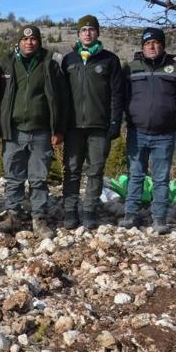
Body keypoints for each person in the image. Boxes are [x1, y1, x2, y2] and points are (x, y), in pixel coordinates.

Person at [0, 26, 63, 235]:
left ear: (39, 42)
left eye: (33, 39)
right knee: (13, 177)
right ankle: (13, 216)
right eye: (25, 40)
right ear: (18, 42)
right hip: (14, 130)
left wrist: (57, 128)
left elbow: (60, 98)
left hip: (41, 131)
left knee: (38, 178)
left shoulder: (49, 64)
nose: (29, 43)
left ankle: (39, 219)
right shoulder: (7, 64)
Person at [119, 28, 176, 234]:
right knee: (136, 174)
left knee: (161, 177)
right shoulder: (131, 68)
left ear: (163, 45)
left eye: (156, 42)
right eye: (148, 43)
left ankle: (159, 218)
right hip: (137, 132)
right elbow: (121, 97)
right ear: (142, 46)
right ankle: (130, 214)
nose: (152, 46)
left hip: (164, 134)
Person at [61, 15, 124, 229]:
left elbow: (117, 94)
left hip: (100, 125)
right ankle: (70, 211)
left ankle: (89, 210)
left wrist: (115, 122)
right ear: (78, 34)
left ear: (97, 33)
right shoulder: (69, 60)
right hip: (73, 126)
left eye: (91, 29)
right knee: (71, 170)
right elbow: (60, 95)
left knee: (95, 170)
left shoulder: (110, 59)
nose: (87, 33)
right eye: (83, 30)